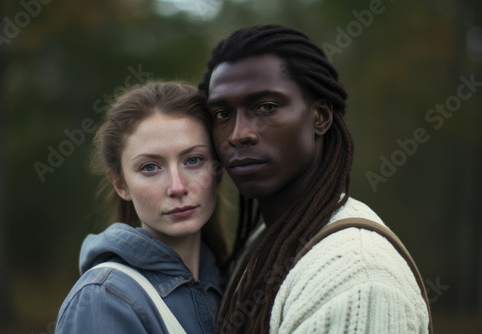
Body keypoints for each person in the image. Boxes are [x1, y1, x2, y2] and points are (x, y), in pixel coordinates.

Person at [198, 24, 431, 333]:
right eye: (222, 114)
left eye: (265, 107)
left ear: (319, 117)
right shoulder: (265, 241)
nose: (239, 134)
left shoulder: (358, 278)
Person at [55, 81, 226, 333]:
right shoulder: (103, 300)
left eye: (193, 160)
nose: (177, 187)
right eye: (150, 167)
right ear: (120, 184)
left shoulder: (229, 282)